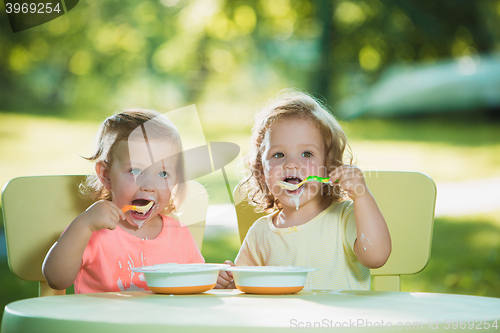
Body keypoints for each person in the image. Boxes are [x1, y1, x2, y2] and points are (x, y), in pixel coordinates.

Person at [216, 91, 391, 290]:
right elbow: (243, 288)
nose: (291, 164)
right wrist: (228, 281)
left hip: (341, 321)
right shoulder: (260, 233)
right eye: (278, 154)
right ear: (261, 170)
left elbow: (376, 257)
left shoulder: (346, 217)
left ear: (329, 166)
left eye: (307, 154)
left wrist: (362, 196)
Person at [43, 109, 204, 293]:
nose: (148, 185)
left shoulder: (179, 235)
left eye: (163, 173)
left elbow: (196, 287)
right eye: (135, 171)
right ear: (106, 175)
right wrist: (84, 224)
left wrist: (220, 281)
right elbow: (56, 279)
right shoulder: (92, 231)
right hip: (102, 321)